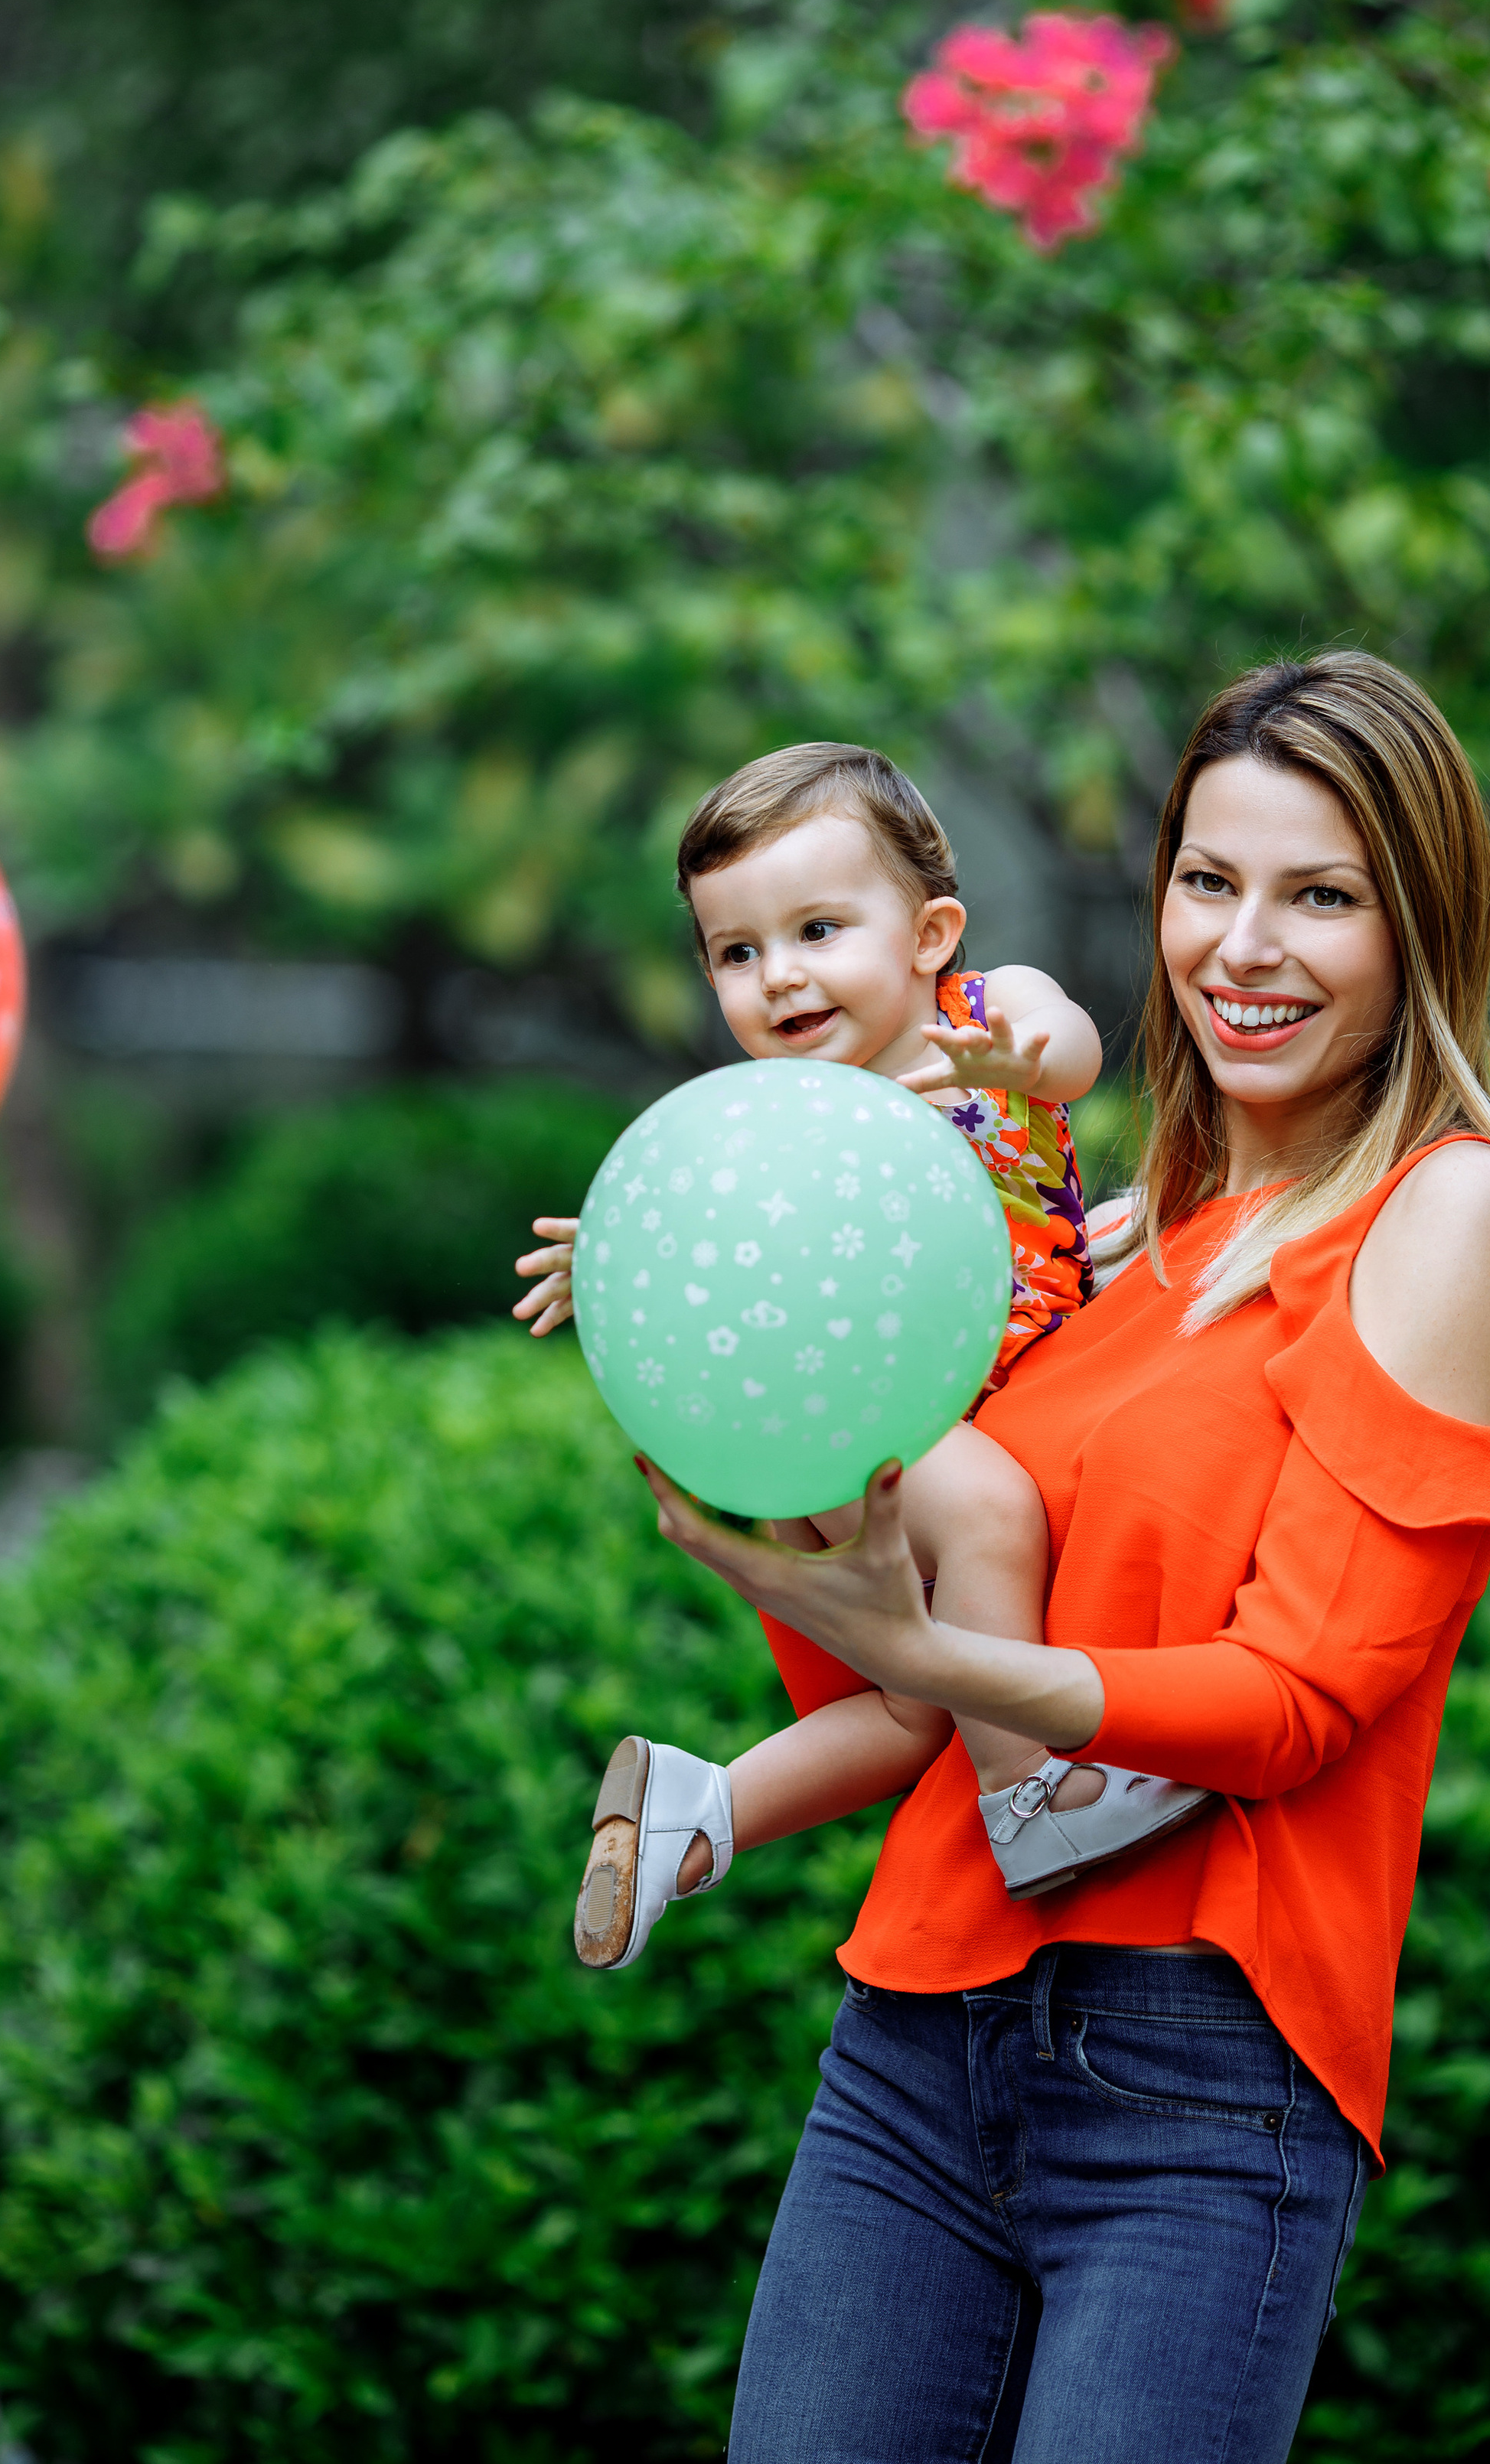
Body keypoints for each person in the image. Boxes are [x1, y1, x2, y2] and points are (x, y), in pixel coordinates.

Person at [628, 652, 1490, 2464]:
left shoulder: (1447, 1212)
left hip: (1196, 2075)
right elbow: (892, 1681)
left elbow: (1299, 1701)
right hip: (914, 2034)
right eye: (1206, 882)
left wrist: (934, 1663)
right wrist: (781, 1523)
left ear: (1418, 925)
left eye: (1319, 897)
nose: (1243, 947)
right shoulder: (1096, 1247)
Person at [512, 741, 1208, 1970]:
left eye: (818, 930)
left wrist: (1016, 1062)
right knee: (991, 1515)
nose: (779, 975)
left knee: (909, 1708)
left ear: (932, 934)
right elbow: (710, 1251)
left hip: (887, 1417)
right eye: (737, 952)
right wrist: (622, 1259)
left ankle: (696, 1813)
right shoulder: (770, 1121)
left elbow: (1074, 1048)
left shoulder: (987, 1015)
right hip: (854, 1423)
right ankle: (1032, 1799)